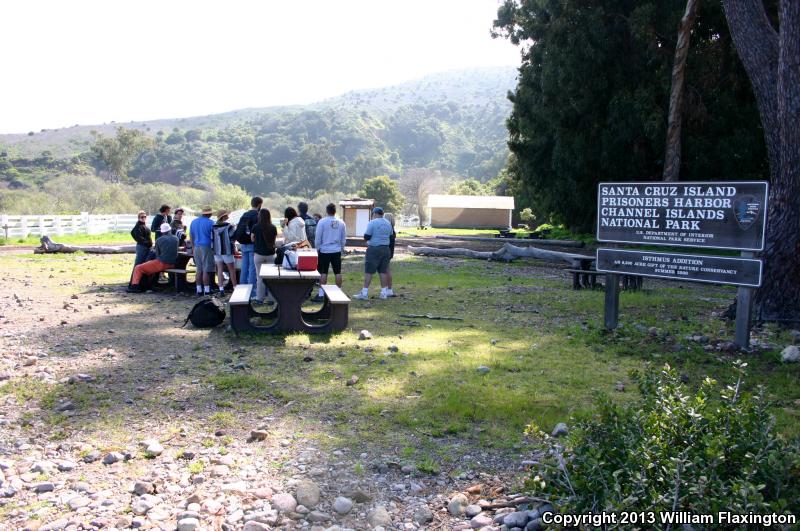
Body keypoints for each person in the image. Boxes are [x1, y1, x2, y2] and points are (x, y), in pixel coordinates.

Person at [353, 207, 394, 300]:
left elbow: (367, 236)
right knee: (383, 271)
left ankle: (364, 293)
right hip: (385, 249)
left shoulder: (372, 222)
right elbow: (391, 237)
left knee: (369, 271)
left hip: (374, 249)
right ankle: (384, 293)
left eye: (372, 214)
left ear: (375, 214)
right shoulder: (388, 223)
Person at [128, 223, 178, 292]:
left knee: (138, 268)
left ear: (162, 231)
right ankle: (151, 284)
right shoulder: (176, 239)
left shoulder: (159, 240)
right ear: (170, 230)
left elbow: (157, 254)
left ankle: (134, 286)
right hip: (173, 264)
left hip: (162, 263)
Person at [314, 203, 347, 300]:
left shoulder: (322, 222)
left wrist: (318, 248)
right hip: (336, 250)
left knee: (323, 272)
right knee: (338, 272)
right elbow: (343, 238)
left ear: (327, 211)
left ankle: (321, 294)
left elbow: (318, 237)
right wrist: (341, 248)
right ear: (335, 211)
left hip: (324, 250)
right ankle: (339, 291)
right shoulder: (341, 222)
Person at [234, 196, 263, 295]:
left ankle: (242, 289)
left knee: (244, 267)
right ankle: (252, 292)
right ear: (259, 205)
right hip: (252, 244)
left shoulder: (245, 214)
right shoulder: (257, 215)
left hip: (243, 244)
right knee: (252, 268)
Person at [252, 208, 278, 303]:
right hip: (271, 254)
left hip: (258, 254)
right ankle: (271, 298)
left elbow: (252, 239)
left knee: (259, 277)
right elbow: (274, 241)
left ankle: (260, 298)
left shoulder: (255, 227)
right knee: (271, 277)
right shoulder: (273, 227)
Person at [189, 206, 215, 296]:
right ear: (210, 214)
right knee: (206, 269)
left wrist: (193, 247)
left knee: (199, 269)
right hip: (206, 246)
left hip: (196, 246)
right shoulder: (211, 223)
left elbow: (191, 236)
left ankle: (199, 290)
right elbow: (214, 237)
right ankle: (207, 290)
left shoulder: (193, 222)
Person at [212, 209, 237, 296]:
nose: (228, 216)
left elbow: (212, 239)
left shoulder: (214, 226)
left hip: (217, 251)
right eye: (227, 215)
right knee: (232, 270)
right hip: (227, 250)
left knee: (220, 269)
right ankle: (235, 287)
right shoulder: (229, 226)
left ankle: (221, 289)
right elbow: (233, 237)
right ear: (224, 216)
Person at [384, 212, 397, 297]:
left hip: (386, 251)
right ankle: (388, 289)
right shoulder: (393, 230)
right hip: (390, 252)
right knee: (386, 270)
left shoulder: (387, 229)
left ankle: (388, 289)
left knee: (386, 271)